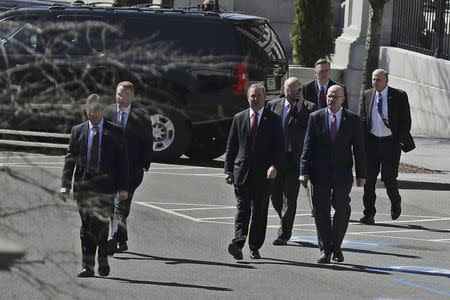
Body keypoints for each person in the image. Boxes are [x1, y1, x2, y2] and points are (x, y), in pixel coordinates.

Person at [60, 94, 128, 277]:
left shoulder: (116, 131)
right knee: (87, 226)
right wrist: (65, 185)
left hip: (106, 185)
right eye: (90, 110)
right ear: (86, 111)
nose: (94, 114)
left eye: (97, 110)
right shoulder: (78, 131)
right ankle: (87, 266)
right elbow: (70, 159)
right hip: (83, 186)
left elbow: (122, 161)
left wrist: (123, 187)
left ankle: (103, 257)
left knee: (101, 222)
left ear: (103, 111)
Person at [299, 85, 366, 264]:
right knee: (321, 211)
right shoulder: (316, 117)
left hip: (342, 173)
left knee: (343, 209)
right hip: (319, 173)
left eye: (335, 96)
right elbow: (308, 146)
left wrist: (361, 174)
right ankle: (325, 249)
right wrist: (303, 171)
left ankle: (336, 245)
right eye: (329, 96)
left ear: (342, 99)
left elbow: (359, 149)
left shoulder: (353, 120)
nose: (331, 99)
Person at [224, 84, 284, 260]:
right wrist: (228, 170)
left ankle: (254, 246)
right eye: (251, 95)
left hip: (264, 174)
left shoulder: (273, 119)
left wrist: (275, 166)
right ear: (247, 98)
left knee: (259, 210)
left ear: (264, 98)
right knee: (242, 208)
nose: (254, 98)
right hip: (242, 172)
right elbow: (232, 145)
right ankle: (238, 242)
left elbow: (278, 147)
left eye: (258, 95)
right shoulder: (239, 118)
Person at [358, 69, 415, 225]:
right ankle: (369, 213)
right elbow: (362, 120)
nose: (375, 82)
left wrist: (400, 141)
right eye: (373, 79)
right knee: (368, 181)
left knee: (389, 179)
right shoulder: (367, 95)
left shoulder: (399, 96)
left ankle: (396, 202)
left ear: (386, 80)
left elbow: (406, 121)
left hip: (391, 144)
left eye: (378, 79)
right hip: (372, 144)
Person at [104, 81, 153, 253]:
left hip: (131, 170)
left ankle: (112, 238)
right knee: (111, 205)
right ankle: (121, 240)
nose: (120, 98)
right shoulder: (107, 112)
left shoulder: (141, 116)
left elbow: (147, 143)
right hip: (109, 169)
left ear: (132, 96)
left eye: (124, 95)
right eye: (118, 94)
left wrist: (144, 166)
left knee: (121, 205)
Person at [266, 77, 315, 245]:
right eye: (287, 88)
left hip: (295, 159)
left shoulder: (308, 108)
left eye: (294, 89)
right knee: (275, 196)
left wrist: (300, 109)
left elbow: (308, 130)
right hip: (277, 158)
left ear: (300, 90)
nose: (290, 92)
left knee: (290, 198)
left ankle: (284, 233)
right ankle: (284, 221)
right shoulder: (273, 105)